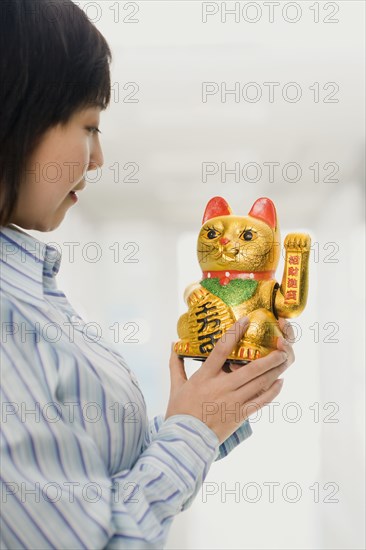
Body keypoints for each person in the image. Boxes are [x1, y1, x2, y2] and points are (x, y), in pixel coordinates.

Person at [0, 1, 295, 548]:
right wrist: (196, 428)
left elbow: (99, 487)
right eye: (89, 125)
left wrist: (207, 415)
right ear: (19, 113)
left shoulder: (30, 289)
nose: (98, 158)